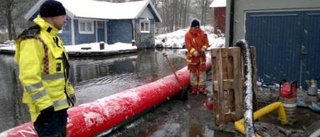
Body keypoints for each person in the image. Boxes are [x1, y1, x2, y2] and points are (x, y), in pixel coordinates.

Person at [14, 0, 76, 136]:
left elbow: (60, 72)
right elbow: (29, 77)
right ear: (51, 18)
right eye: (63, 17)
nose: (65, 21)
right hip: (46, 112)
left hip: (59, 108)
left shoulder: (53, 39)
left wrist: (70, 93)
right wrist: (45, 105)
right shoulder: (33, 40)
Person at [184, 19, 209, 96]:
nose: (196, 29)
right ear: (192, 27)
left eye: (198, 27)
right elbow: (188, 45)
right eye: (195, 27)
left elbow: (206, 43)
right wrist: (193, 51)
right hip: (192, 58)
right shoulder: (188, 35)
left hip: (201, 57)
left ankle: (201, 87)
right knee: (193, 73)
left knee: (202, 73)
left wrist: (202, 49)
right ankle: (194, 88)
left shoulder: (203, 34)